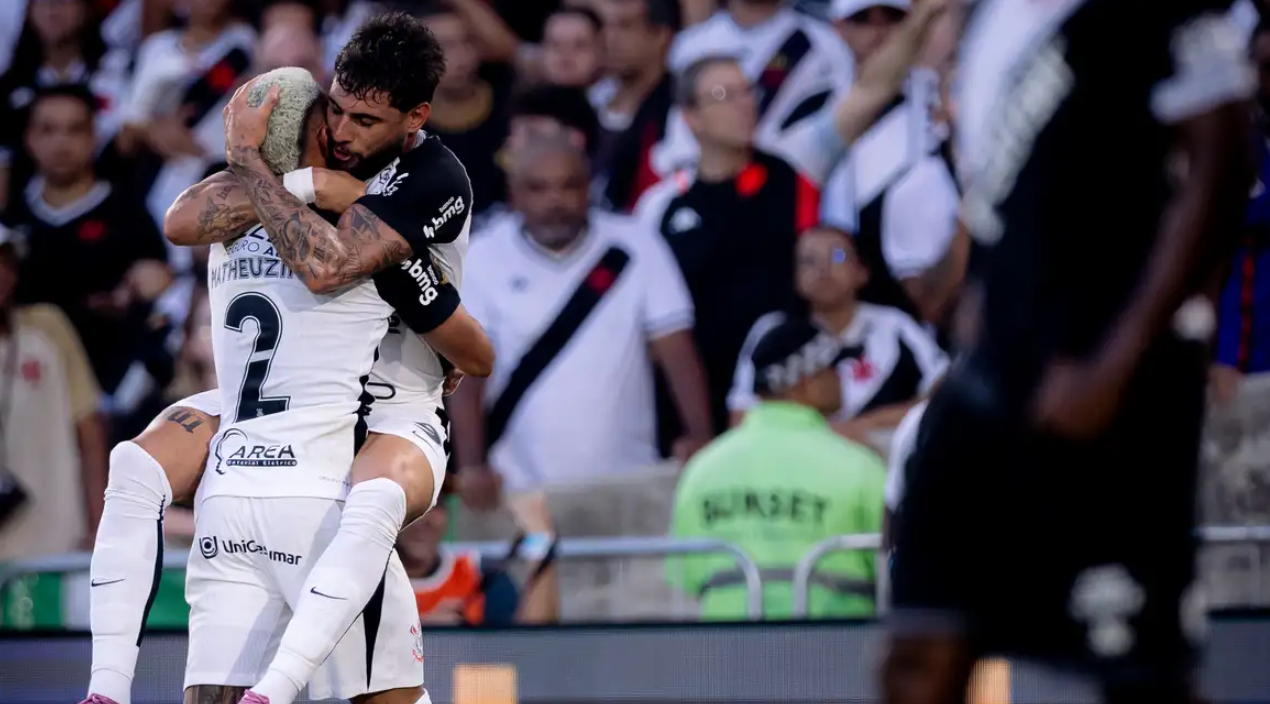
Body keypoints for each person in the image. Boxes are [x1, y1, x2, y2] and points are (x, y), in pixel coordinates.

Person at [82, 14, 491, 704]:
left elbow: (331, 270)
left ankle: (274, 689)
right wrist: (302, 183)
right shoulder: (301, 171)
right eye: (334, 108)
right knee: (137, 458)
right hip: (283, 405)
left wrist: (290, 183)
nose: (341, 131)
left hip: (391, 407)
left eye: (365, 119)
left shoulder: (432, 174)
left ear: (416, 116)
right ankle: (106, 688)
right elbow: (181, 220)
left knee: (373, 499)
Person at [884, 2, 1254, 703]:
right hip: (992, 375)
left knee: (1140, 675)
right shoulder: (983, 20)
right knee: (919, 646)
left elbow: (1224, 158)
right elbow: (1012, 198)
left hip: (1111, 378)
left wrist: (1117, 361)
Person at [449, 137, 712, 508]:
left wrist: (699, 434)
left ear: (588, 188)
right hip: (519, 490)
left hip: (629, 484)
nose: (555, 200)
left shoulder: (638, 244)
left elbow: (675, 347)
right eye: (538, 188)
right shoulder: (482, 256)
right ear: (515, 194)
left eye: (569, 185)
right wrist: (473, 464)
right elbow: (467, 368)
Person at [668, 315, 885, 620]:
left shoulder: (702, 470)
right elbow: (894, 572)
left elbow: (687, 578)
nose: (843, 378)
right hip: (834, 655)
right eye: (834, 369)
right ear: (806, 383)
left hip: (724, 656)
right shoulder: (860, 467)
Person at [728, 226, 946, 445]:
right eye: (808, 261)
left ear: (861, 271)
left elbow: (942, 393)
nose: (823, 269)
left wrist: (861, 427)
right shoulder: (772, 331)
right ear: (794, 277)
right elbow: (740, 415)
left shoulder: (894, 326)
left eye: (837, 256)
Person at [0, 225, 109, 562]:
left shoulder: (47, 326)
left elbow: (89, 431)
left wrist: (100, 528)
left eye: (5, 261)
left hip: (56, 541)